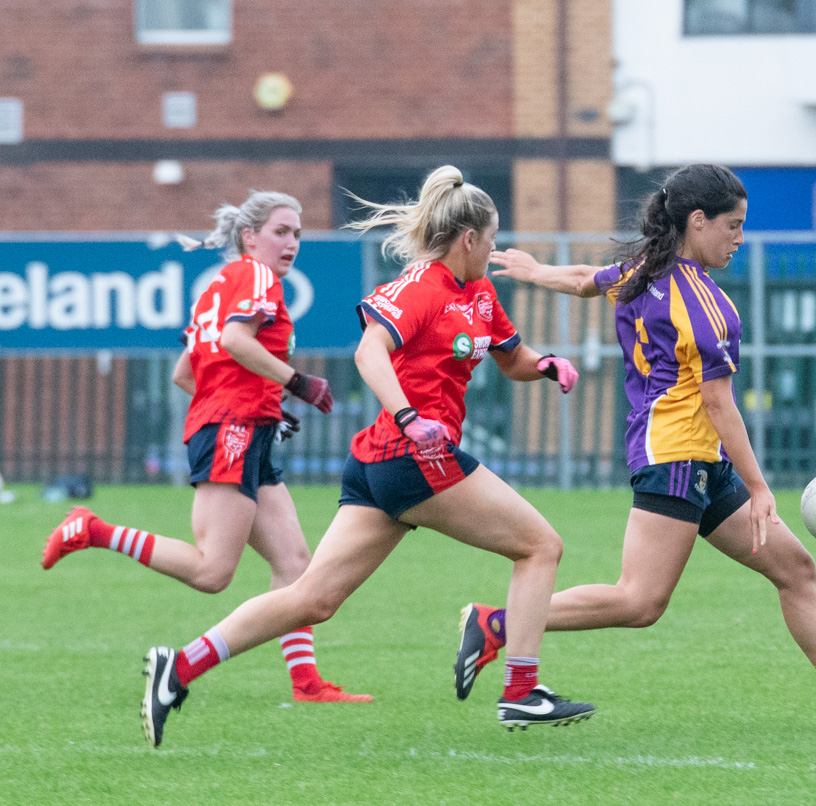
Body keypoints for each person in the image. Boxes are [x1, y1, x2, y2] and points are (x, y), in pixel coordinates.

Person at [456, 164, 816, 731]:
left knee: (796, 569)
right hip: (677, 457)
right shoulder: (706, 308)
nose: (740, 238)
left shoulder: (643, 271)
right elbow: (720, 403)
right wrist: (758, 487)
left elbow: (586, 279)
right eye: (733, 225)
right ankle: (497, 624)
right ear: (697, 221)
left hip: (699, 458)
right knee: (639, 602)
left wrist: (535, 271)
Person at [139, 166, 595, 748]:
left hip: (387, 467)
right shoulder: (421, 285)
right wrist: (408, 414)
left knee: (313, 599)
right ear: (469, 239)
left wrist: (547, 364)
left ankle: (178, 668)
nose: (496, 248)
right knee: (541, 546)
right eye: (493, 236)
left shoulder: (477, 292)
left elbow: (511, 357)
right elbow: (368, 350)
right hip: (413, 456)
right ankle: (522, 692)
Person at [42, 191, 372, 705]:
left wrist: (268, 404)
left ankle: (307, 685)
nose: (292, 244)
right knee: (213, 571)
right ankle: (94, 530)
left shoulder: (220, 284)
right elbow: (238, 342)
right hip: (232, 431)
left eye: (298, 234)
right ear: (250, 237)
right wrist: (296, 383)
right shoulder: (257, 277)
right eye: (281, 232)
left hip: (245, 426)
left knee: (295, 564)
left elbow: (185, 372)